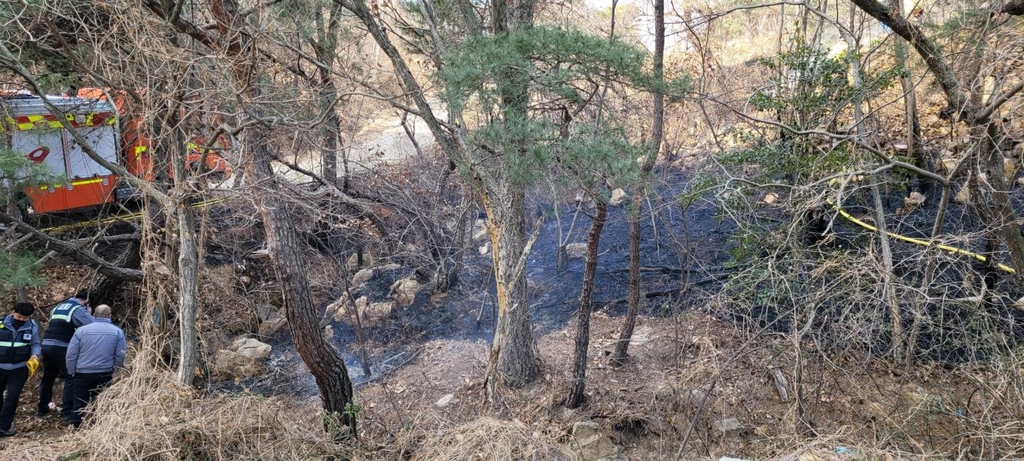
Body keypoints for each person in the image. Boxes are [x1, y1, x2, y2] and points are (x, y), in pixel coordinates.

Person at [66, 304, 126, 428]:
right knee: (101, 401)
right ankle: (99, 426)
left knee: (79, 401)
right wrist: (116, 369)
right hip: (105, 372)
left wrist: (72, 370)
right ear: (110, 316)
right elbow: (120, 354)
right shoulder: (117, 332)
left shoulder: (81, 331)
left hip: (82, 372)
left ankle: (76, 426)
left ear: (93, 315)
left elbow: (71, 354)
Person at [38, 290, 93, 421]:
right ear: (86, 301)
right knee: (71, 377)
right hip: (62, 346)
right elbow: (91, 325)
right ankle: (67, 412)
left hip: (46, 345)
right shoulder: (78, 309)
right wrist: (89, 313)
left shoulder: (58, 307)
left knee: (48, 377)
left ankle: (42, 408)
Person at [0, 302, 42, 437]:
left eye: (25, 318)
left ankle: (3, 427)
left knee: (12, 397)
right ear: (13, 312)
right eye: (19, 317)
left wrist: (35, 355)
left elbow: (35, 344)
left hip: (19, 368)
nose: (22, 320)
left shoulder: (32, 327)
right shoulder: (1, 323)